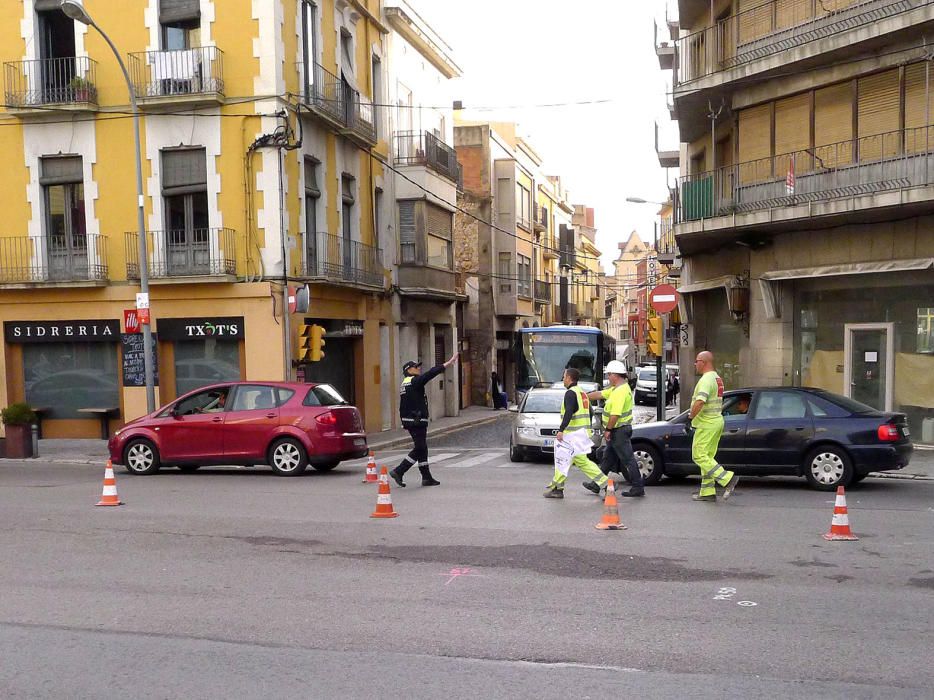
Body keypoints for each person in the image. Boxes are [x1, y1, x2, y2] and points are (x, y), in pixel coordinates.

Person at [390, 353, 459, 488]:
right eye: (416, 367)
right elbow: (430, 374)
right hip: (415, 420)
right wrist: (447, 363)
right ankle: (399, 470)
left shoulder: (406, 383)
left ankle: (426, 477)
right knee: (420, 448)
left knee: (423, 448)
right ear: (409, 370)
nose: (418, 369)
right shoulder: (414, 381)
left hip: (411, 419)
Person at [543, 367, 609, 499]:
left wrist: (561, 430)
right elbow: (590, 412)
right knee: (575, 460)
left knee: (562, 459)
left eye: (564, 376)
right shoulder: (582, 393)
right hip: (581, 434)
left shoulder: (570, 393)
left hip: (572, 434)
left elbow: (569, 412)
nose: (563, 379)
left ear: (569, 378)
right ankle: (559, 488)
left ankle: (558, 488)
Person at [582, 360, 644, 497]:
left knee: (628, 459)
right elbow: (600, 394)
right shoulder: (618, 388)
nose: (608, 377)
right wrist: (583, 397)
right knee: (608, 459)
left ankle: (638, 487)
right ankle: (597, 484)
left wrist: (608, 430)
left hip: (619, 430)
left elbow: (615, 414)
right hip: (618, 430)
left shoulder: (620, 392)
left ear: (616, 375)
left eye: (609, 374)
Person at [689, 351, 739, 502]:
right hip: (716, 421)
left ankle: (727, 478)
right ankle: (707, 492)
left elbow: (700, 401)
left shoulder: (706, 380)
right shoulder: (717, 378)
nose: (695, 364)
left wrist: (691, 415)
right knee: (708, 458)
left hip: (707, 423)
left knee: (699, 455)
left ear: (704, 362)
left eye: (697, 361)